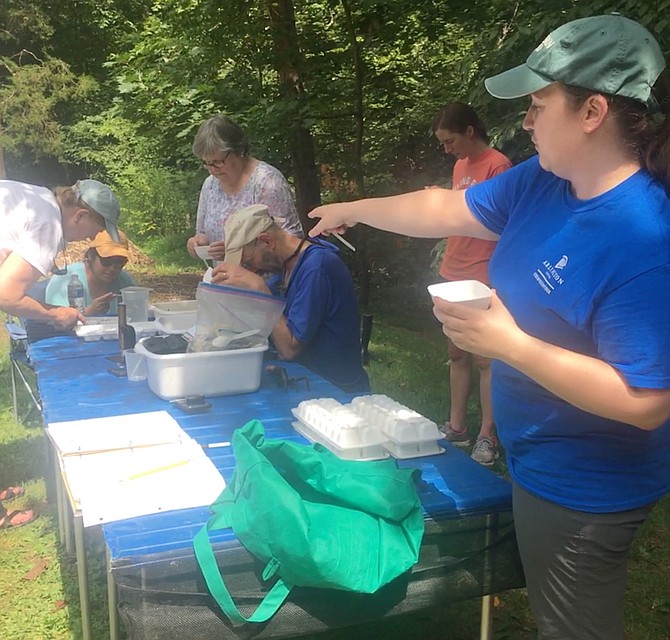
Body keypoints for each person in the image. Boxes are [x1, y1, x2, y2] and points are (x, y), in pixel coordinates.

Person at [307, 14, 670, 639]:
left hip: (586, 484)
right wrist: (354, 209)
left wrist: (510, 346)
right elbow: (445, 206)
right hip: (538, 457)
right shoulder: (543, 182)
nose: (525, 122)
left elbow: (646, 401)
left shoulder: (643, 241)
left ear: (592, 112)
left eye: (537, 104)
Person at [0, 177, 121, 529]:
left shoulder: (36, 198)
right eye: (92, 232)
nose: (87, 240)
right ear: (80, 215)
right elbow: (6, 295)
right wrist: (54, 314)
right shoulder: (49, 224)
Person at [430, 102, 512, 464]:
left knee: (485, 358)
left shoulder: (498, 165)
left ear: (469, 132)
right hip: (453, 269)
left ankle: (487, 435)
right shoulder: (460, 165)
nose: (447, 150)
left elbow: (500, 223)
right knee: (456, 352)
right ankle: (457, 427)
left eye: (450, 141)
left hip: (483, 273)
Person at [211, 204, 369, 392]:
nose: (250, 268)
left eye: (248, 261)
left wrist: (262, 292)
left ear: (267, 241)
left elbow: (289, 349)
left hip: (335, 391)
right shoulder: (285, 268)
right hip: (304, 382)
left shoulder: (317, 268)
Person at [186, 114, 303, 262]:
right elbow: (202, 232)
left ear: (239, 151)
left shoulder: (266, 181)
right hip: (224, 279)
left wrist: (235, 251)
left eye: (218, 162)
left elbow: (291, 241)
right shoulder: (210, 185)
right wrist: (199, 242)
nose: (212, 169)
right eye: (206, 163)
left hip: (267, 282)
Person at [45, 230, 135, 315]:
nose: (112, 268)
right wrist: (89, 312)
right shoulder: (64, 279)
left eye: (120, 262)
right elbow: (56, 321)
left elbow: (136, 312)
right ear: (91, 256)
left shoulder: (124, 280)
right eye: (107, 261)